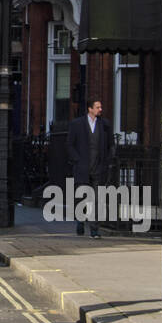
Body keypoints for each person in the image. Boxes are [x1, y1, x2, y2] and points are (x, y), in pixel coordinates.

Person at [67, 98, 112, 238]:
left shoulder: (105, 124)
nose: (100, 110)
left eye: (101, 107)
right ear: (90, 109)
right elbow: (69, 145)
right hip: (82, 168)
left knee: (97, 200)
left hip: (98, 168)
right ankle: (80, 221)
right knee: (82, 198)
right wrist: (77, 160)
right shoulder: (77, 124)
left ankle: (94, 230)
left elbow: (111, 144)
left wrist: (107, 161)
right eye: (98, 107)